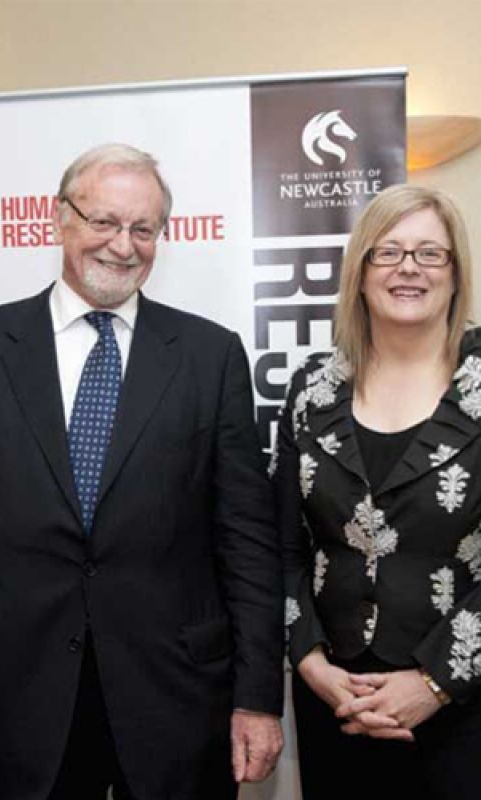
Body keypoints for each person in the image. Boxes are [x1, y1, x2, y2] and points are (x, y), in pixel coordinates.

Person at [0, 143, 284, 800]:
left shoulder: (211, 356)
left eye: (142, 229)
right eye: (104, 221)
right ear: (59, 219)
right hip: (16, 704)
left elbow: (249, 542)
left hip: (178, 700)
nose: (123, 245)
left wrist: (259, 699)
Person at [274, 184, 481, 800]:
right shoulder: (312, 391)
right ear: (359, 273)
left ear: (455, 272)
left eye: (429, 253)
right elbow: (280, 546)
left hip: (464, 708)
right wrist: (309, 664)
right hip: (335, 703)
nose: (408, 269)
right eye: (387, 253)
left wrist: (435, 683)